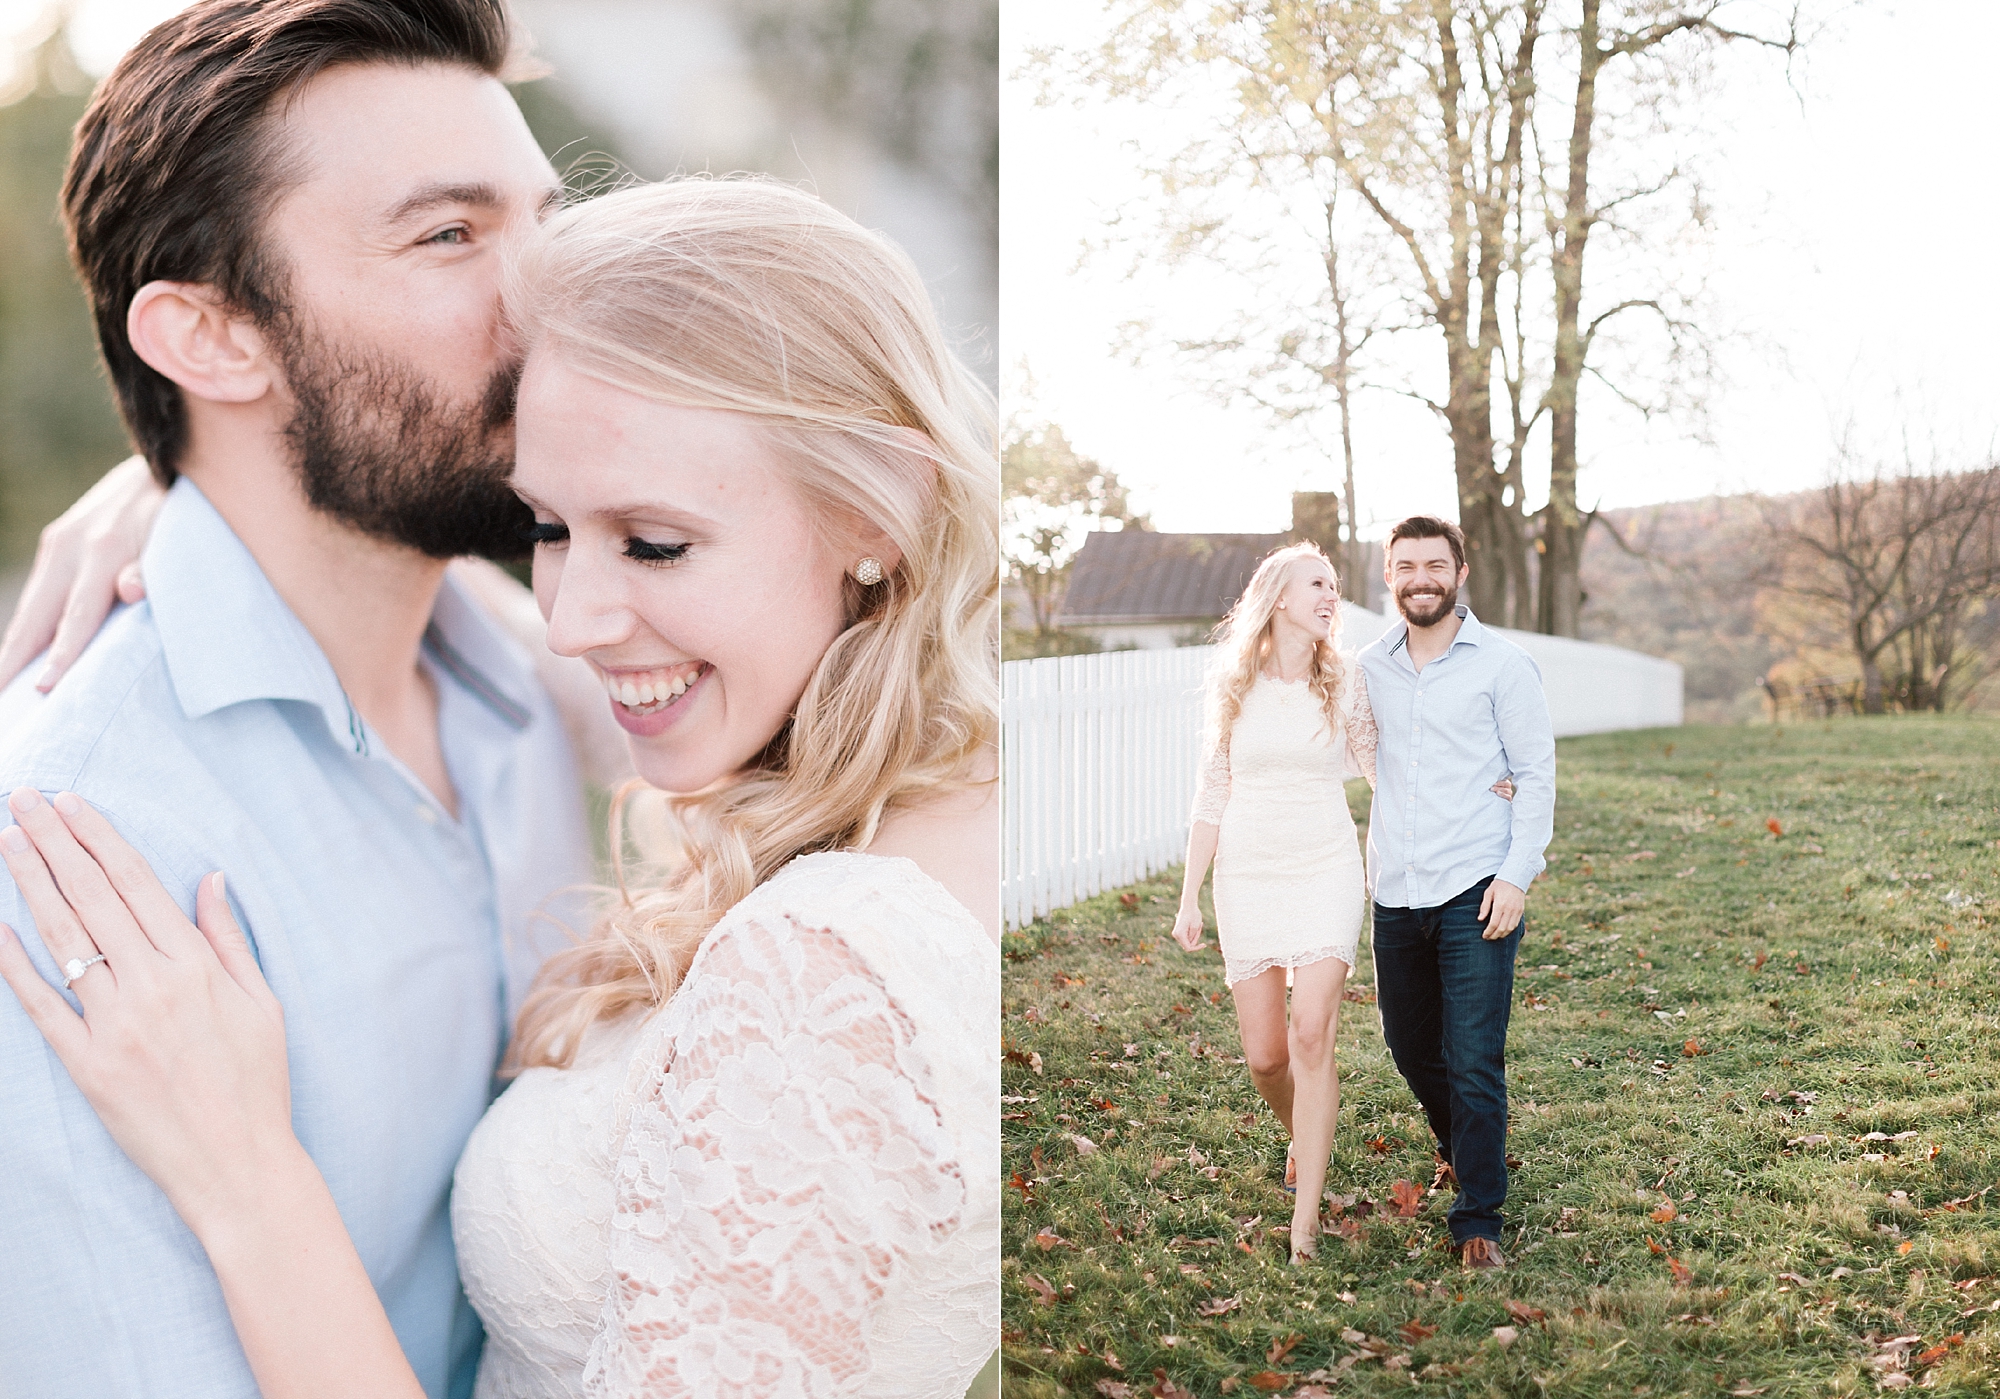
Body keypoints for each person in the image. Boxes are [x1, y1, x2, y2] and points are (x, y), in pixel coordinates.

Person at [0, 5, 597, 1395]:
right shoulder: (76, 858)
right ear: (210, 336)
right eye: (449, 234)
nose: (553, 296)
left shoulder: (532, 664)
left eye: (542, 222)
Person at [1357, 515, 1556, 1272]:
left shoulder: (1504, 666)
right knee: (1409, 1046)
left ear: (1460, 571)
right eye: (1406, 565)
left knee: (1474, 1057)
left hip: (1477, 887)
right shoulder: (1368, 666)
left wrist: (1516, 872)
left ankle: (1479, 1215)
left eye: (1434, 564)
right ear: (1389, 576)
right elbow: (1353, 747)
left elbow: (1535, 773)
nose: (1420, 578)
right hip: (1397, 888)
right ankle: (1460, 1144)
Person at [1169, 543, 1376, 1264]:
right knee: (1266, 1056)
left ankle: (1306, 1224)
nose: (1330, 595)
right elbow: (1213, 792)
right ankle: (1303, 1133)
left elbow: (1386, 772)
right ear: (1279, 596)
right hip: (1249, 872)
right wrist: (1189, 893)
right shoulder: (1233, 684)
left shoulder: (1345, 681)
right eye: (1317, 583)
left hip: (1325, 865)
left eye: (1334, 585)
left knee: (1312, 1033)